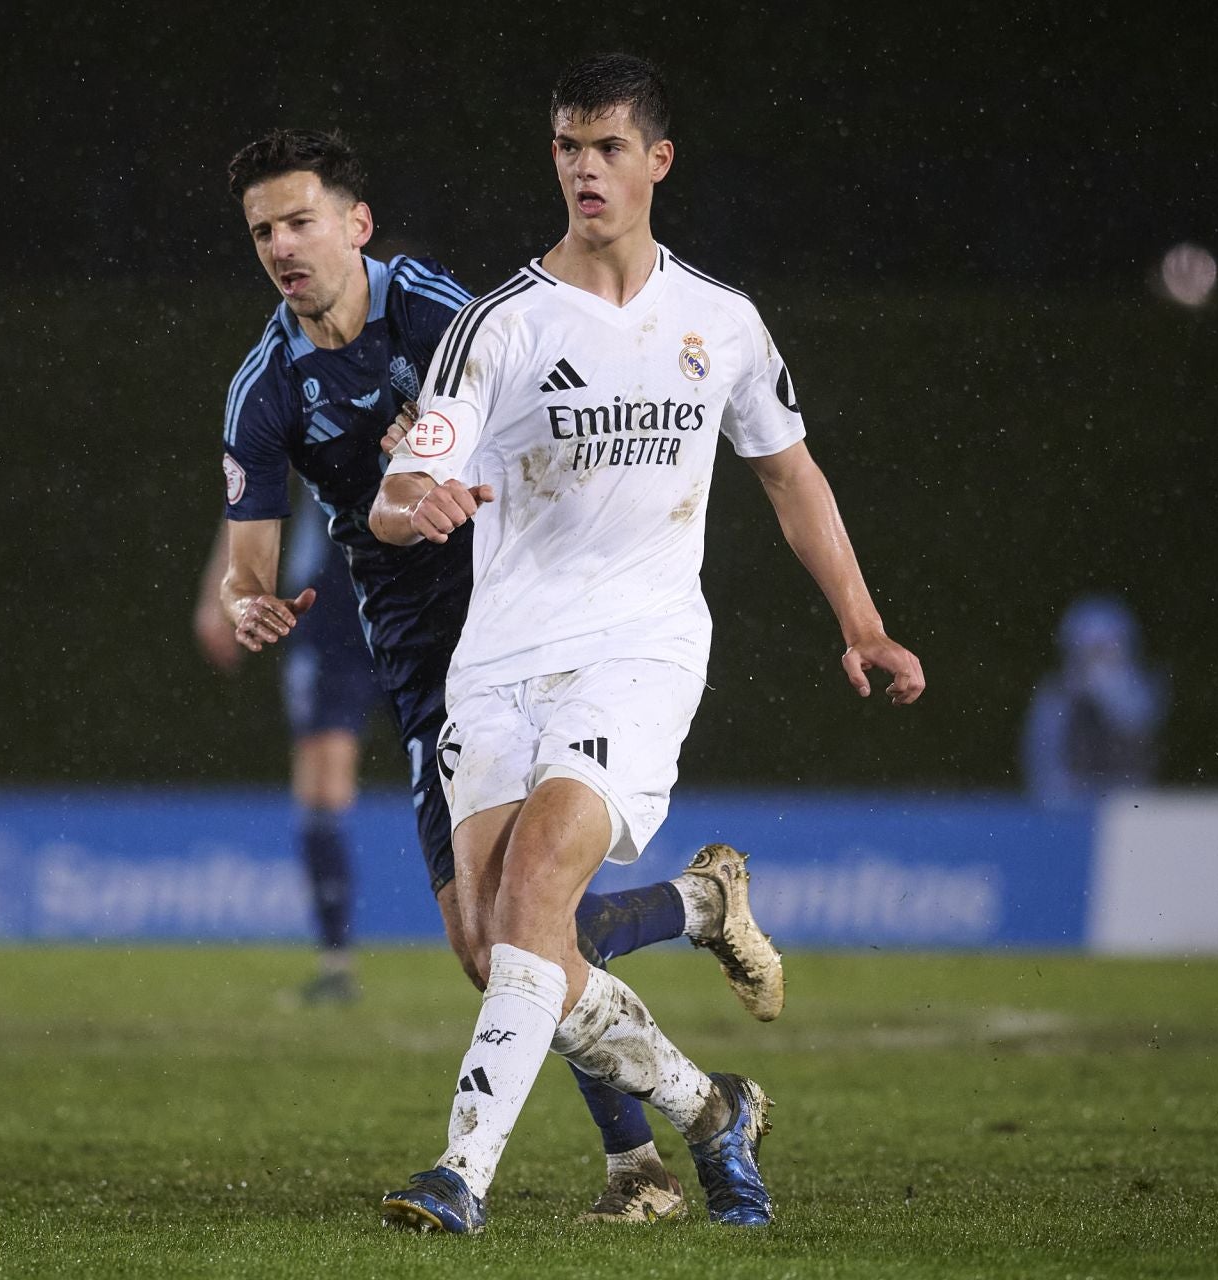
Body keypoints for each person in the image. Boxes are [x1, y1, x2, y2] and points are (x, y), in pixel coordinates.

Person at [369, 54, 925, 1233]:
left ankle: (459, 1173)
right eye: (568, 147)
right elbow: (405, 478)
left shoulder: (718, 322)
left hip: (638, 655)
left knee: (534, 903)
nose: (585, 169)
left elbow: (790, 476)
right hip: (501, 664)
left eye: (608, 147)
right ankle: (711, 1108)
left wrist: (862, 622)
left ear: (657, 160)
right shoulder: (497, 326)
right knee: (499, 949)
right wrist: (410, 501)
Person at [213, 125, 785, 1223]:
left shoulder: (444, 314)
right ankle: (701, 986)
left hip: (533, 626)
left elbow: (554, 412)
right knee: (495, 947)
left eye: (299, 220)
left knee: (535, 913)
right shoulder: (264, 387)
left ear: (355, 224)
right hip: (427, 666)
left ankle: (635, 1162)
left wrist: (450, 462)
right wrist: (251, 603)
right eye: (261, 230)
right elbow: (246, 558)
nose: (282, 244)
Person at [193, 509, 379, 1004]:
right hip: (331, 608)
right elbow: (250, 485)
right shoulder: (307, 427)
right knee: (324, 789)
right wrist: (222, 590)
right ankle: (336, 963)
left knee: (470, 769)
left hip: (415, 595)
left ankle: (521, 952)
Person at [1021, 595, 1165, 805]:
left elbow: (1136, 724)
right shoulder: (1056, 695)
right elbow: (1041, 754)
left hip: (1128, 801)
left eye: (1105, 650)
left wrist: (1107, 689)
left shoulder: (1141, 691)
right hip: (1069, 800)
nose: (1097, 660)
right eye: (1090, 651)